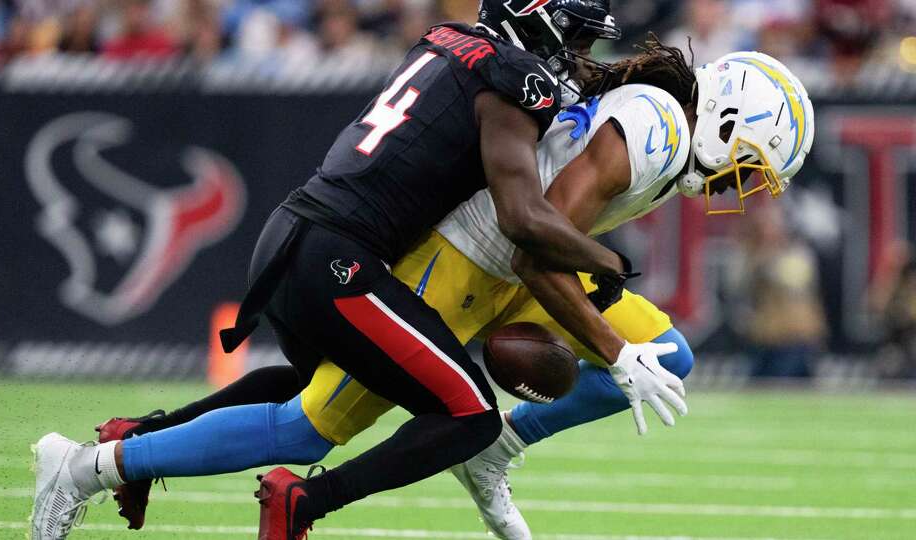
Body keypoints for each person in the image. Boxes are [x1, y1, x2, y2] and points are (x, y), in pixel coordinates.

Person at [82, 41, 814, 539]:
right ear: (726, 121)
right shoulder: (655, 126)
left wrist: (624, 344)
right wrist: (612, 353)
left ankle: (493, 449)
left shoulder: (664, 135)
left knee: (669, 353)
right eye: (750, 166)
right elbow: (536, 245)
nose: (744, 186)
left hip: (524, 265)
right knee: (310, 423)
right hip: (471, 261)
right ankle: (113, 462)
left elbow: (552, 242)